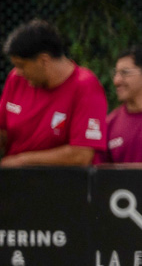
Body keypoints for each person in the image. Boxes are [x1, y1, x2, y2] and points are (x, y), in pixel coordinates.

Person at [0, 19, 107, 167]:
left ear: (44, 60)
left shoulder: (85, 86)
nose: (18, 72)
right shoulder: (16, 79)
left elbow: (81, 154)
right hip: (15, 183)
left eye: (21, 65)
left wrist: (21, 161)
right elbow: (3, 132)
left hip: (61, 185)